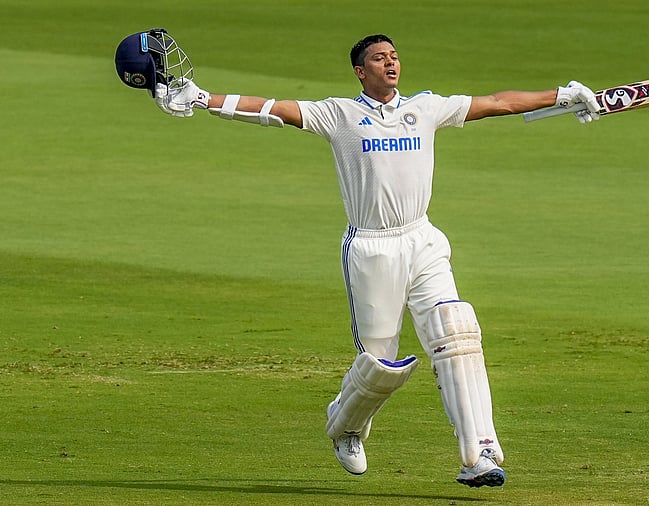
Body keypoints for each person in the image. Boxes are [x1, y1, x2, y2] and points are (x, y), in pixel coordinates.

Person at [149, 34, 601, 487]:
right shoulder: (340, 115)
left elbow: (498, 102)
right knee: (379, 367)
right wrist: (203, 98)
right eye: (379, 58)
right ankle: (345, 427)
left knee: (458, 332)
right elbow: (273, 109)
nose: (391, 63)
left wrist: (563, 95)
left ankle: (478, 455)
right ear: (360, 72)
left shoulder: (425, 109)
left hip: (423, 239)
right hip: (371, 248)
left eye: (395, 56)